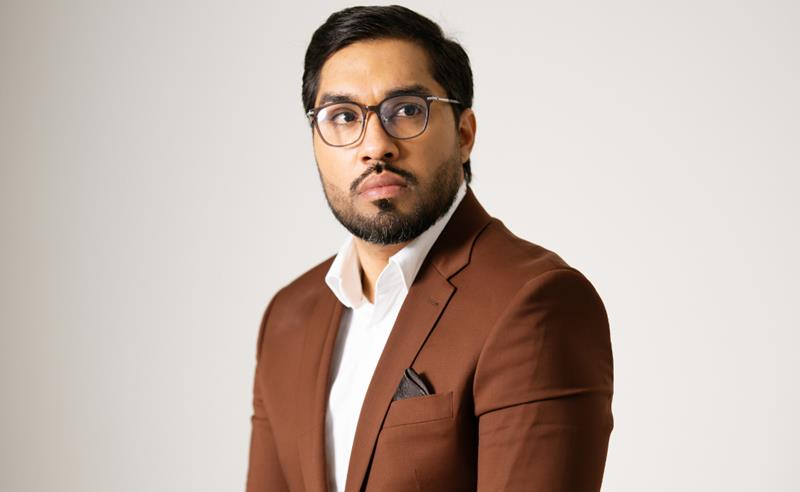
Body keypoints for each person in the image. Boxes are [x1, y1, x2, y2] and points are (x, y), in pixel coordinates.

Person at [246, 5, 613, 491]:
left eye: (406, 110)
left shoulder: (536, 301)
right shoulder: (288, 316)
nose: (375, 145)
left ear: (464, 135)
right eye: (343, 116)